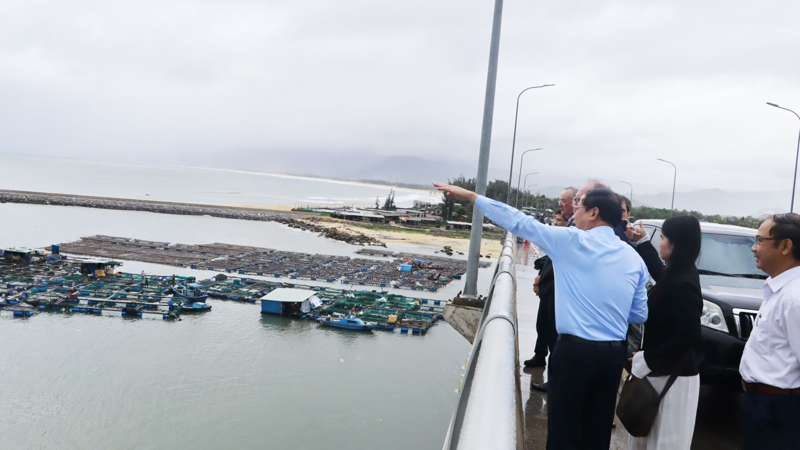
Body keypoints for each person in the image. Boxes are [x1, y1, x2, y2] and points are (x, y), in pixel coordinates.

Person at [434, 182, 649, 450]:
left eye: (578, 208)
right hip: (611, 357)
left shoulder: (571, 241)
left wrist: (473, 197)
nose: (574, 215)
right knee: (597, 432)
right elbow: (640, 312)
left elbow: (519, 222)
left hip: (574, 353)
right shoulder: (634, 258)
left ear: (594, 213)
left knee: (562, 431)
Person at [626, 217, 703, 449]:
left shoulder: (685, 281)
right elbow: (660, 273)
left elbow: (688, 335)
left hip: (674, 378)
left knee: (666, 441)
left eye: (663, 238)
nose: (660, 243)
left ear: (675, 244)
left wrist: (646, 359)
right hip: (662, 371)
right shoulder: (677, 272)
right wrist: (643, 243)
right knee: (647, 438)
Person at [739, 214, 800, 449]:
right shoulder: (778, 288)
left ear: (785, 246)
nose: (753, 248)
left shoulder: (794, 298)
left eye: (759, 240)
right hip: (763, 403)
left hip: (779, 409)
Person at [526, 187, 576, 368]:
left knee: (554, 333)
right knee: (543, 326)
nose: (561, 204)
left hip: (559, 290)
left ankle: (554, 374)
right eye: (560, 201)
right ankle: (540, 356)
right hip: (549, 287)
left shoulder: (575, 230)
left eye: (565, 201)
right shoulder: (569, 227)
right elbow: (550, 259)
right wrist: (540, 275)